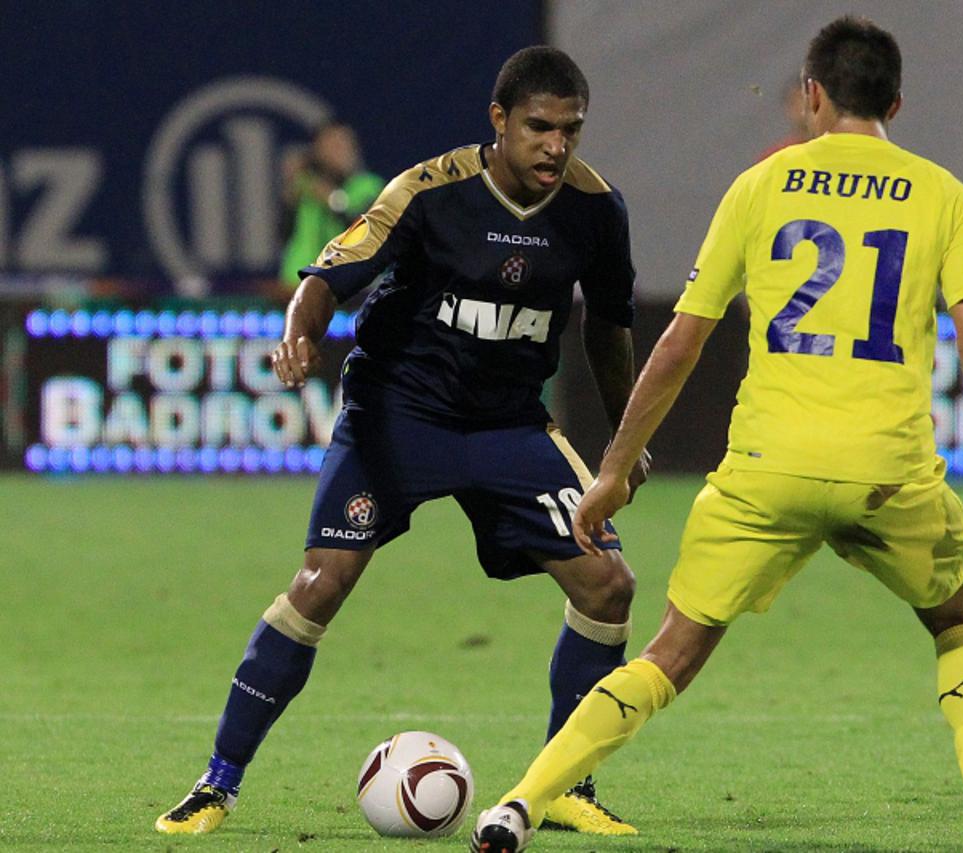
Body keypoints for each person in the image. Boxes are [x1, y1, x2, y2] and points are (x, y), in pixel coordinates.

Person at [473, 17, 963, 853]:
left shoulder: (761, 186)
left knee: (670, 653)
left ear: (813, 94)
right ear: (894, 100)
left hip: (765, 467)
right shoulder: (945, 196)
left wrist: (610, 469)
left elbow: (680, 341)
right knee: (961, 623)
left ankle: (517, 805)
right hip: (885, 469)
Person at [156, 46, 648, 837]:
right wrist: (298, 337)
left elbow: (612, 329)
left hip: (509, 426)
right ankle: (218, 782)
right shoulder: (427, 192)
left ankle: (565, 783)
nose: (556, 146)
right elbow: (326, 277)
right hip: (398, 415)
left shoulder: (596, 209)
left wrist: (627, 442)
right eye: (539, 128)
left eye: (571, 130)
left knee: (609, 585)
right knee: (322, 580)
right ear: (499, 121)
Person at [277, 121, 384, 290]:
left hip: (354, 291)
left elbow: (366, 233)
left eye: (342, 146)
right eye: (330, 147)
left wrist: (332, 201)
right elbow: (283, 235)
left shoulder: (369, 187)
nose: (337, 153)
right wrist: (289, 198)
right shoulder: (303, 187)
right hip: (300, 286)